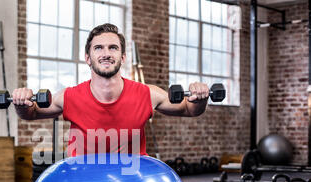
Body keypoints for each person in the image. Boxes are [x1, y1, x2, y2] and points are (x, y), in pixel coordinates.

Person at [12, 23, 210, 157]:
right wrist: (22, 102)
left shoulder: (147, 94)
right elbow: (32, 113)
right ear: (87, 58)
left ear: (123, 57)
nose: (106, 54)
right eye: (98, 48)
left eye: (113, 48)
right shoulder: (69, 97)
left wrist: (199, 98)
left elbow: (189, 110)